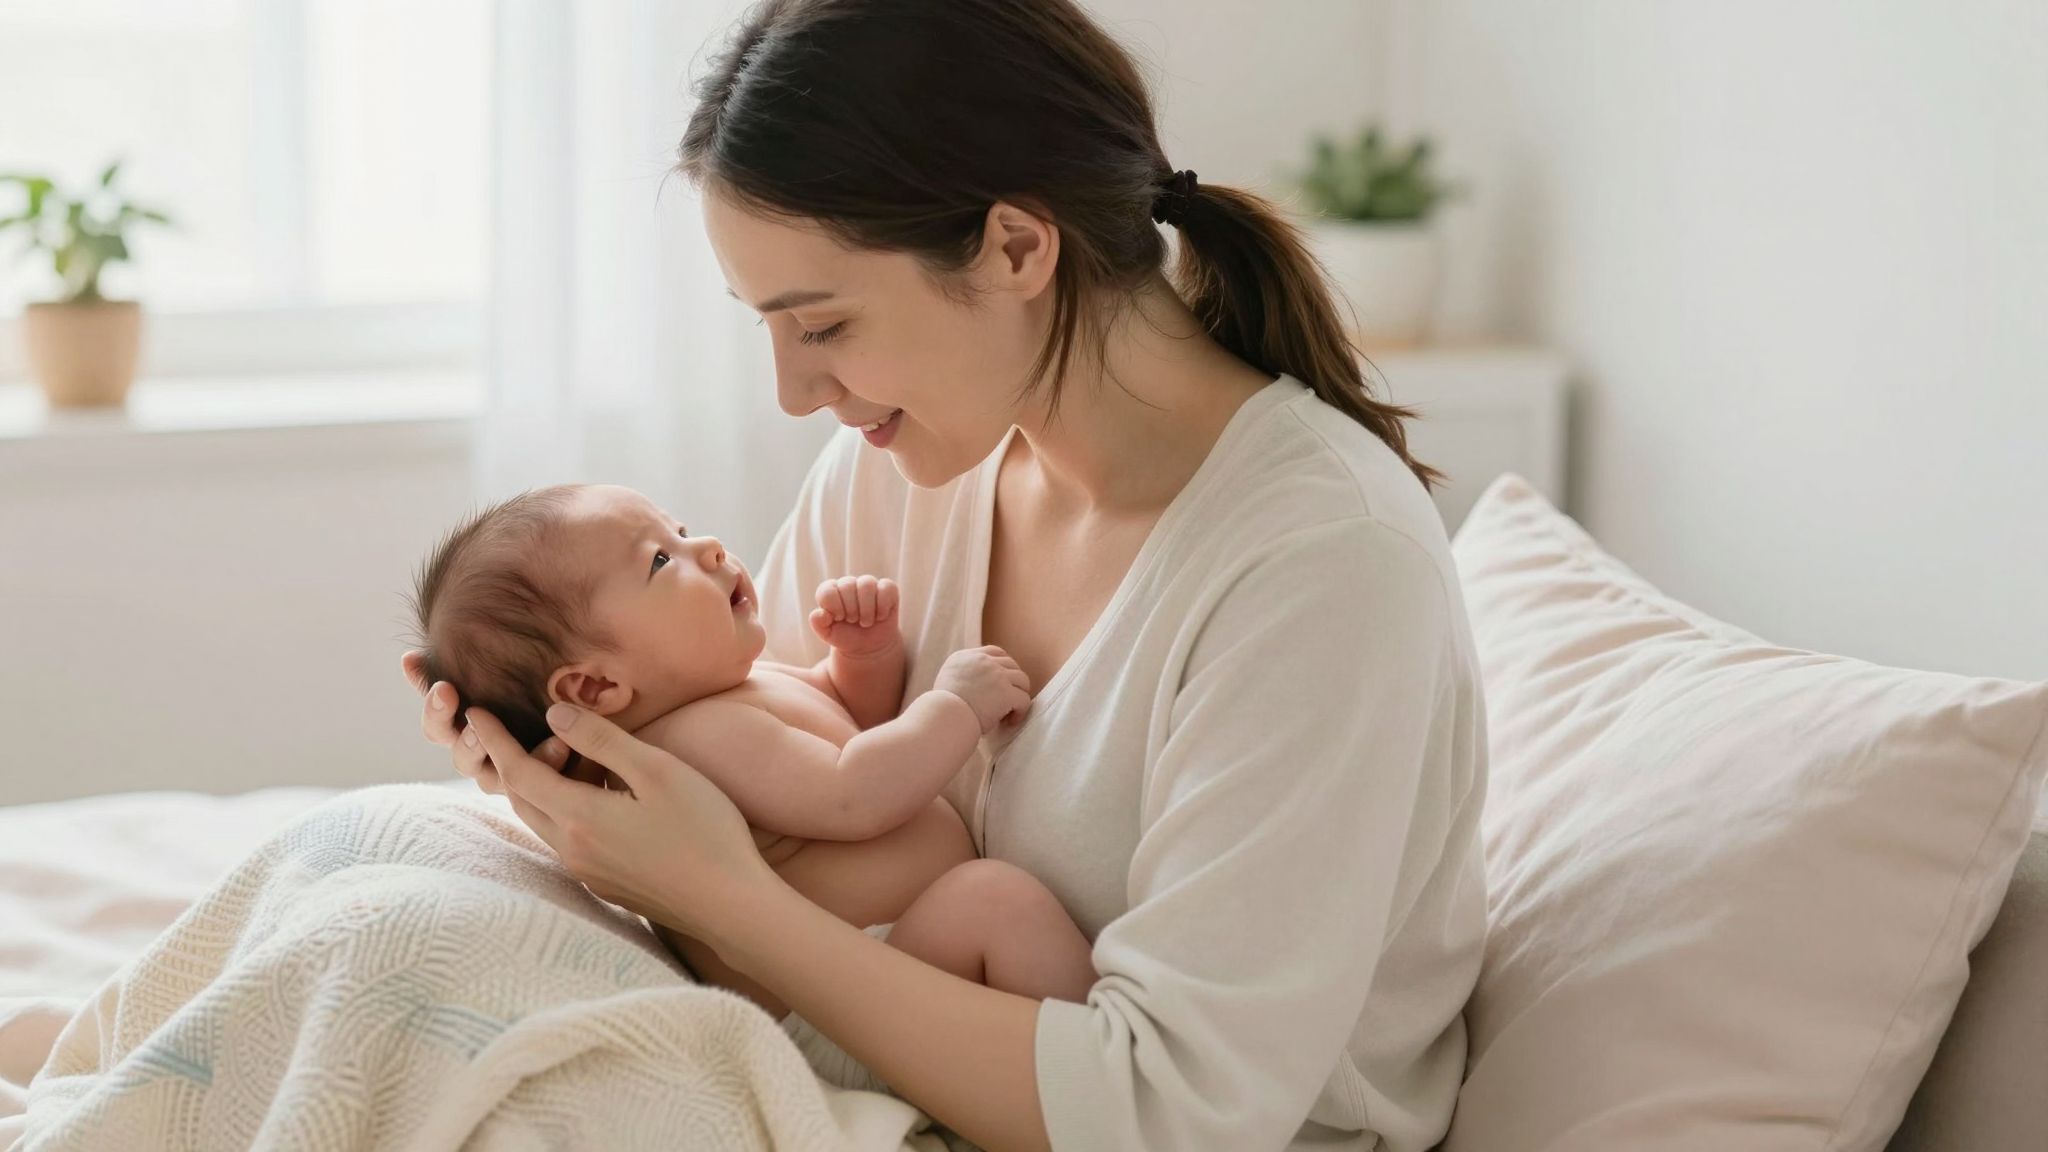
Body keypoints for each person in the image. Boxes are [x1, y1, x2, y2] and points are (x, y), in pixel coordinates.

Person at [414, 0, 1489, 1147]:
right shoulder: (886, 473)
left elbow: (1169, 1114)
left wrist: (716, 893)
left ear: (1018, 247)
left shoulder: (1319, 564)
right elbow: (749, 782)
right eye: (766, 329)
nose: (793, 391)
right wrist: (567, 780)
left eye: (820, 326)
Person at [404, 482, 1096, 1086]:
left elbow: (845, 725)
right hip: (846, 1009)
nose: (705, 546)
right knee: (997, 902)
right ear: (596, 686)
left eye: (677, 528)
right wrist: (955, 706)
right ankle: (1101, 1086)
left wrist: (862, 658)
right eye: (659, 560)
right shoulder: (694, 740)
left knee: (990, 904)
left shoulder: (735, 689)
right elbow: (855, 792)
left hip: (884, 967)